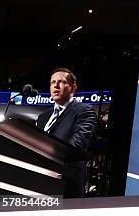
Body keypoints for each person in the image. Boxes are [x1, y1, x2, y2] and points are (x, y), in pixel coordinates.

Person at [36, 67, 96, 198]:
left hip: (66, 183)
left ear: (73, 88)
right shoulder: (43, 117)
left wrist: (46, 153)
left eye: (61, 82)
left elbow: (76, 145)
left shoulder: (84, 111)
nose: (56, 85)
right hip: (39, 180)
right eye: (53, 82)